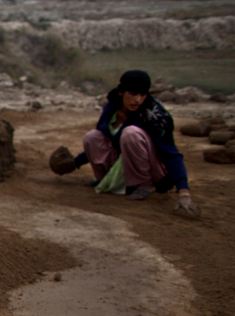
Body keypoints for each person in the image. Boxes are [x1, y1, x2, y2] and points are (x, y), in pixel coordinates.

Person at [56, 70, 200, 218]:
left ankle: (145, 184)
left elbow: (171, 154)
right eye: (133, 94)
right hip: (124, 165)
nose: (137, 100)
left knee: (131, 133)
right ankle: (105, 179)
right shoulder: (111, 109)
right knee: (92, 137)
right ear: (121, 92)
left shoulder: (154, 116)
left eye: (142, 95)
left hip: (154, 171)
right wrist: (75, 163)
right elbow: (104, 143)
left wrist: (184, 193)